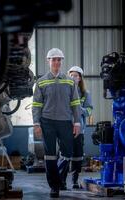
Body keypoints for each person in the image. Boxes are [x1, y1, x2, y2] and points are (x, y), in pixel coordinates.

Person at [32, 48, 81, 198]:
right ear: (48, 61)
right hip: (47, 122)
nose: (57, 62)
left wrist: (77, 122)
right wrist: (36, 123)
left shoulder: (69, 80)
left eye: (59, 59)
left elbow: (75, 103)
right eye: (54, 59)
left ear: (61, 62)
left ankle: (58, 177)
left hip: (65, 121)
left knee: (67, 153)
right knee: (50, 155)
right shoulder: (41, 82)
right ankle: (54, 186)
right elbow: (36, 104)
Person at [63, 66, 93, 189]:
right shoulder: (64, 92)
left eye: (76, 75)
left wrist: (79, 108)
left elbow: (89, 111)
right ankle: (62, 181)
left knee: (77, 156)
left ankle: (75, 181)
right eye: (71, 75)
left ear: (80, 78)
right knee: (64, 155)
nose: (73, 77)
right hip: (64, 129)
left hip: (79, 131)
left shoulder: (86, 94)